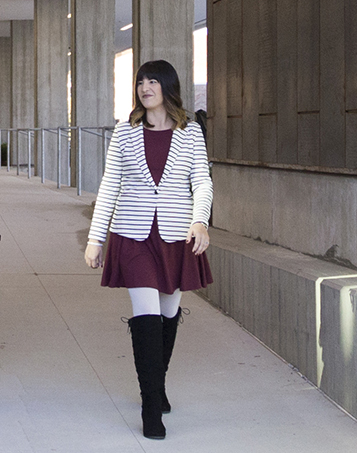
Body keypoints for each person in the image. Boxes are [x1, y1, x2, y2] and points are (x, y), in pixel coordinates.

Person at [84, 59, 213, 440]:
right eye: (140, 81)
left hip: (175, 236)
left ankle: (158, 384)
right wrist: (96, 238)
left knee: (169, 313)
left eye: (153, 81)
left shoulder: (190, 133)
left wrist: (200, 220)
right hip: (133, 235)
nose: (145, 87)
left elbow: (201, 182)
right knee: (146, 314)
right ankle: (150, 406)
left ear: (168, 87)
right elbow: (110, 185)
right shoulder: (124, 133)